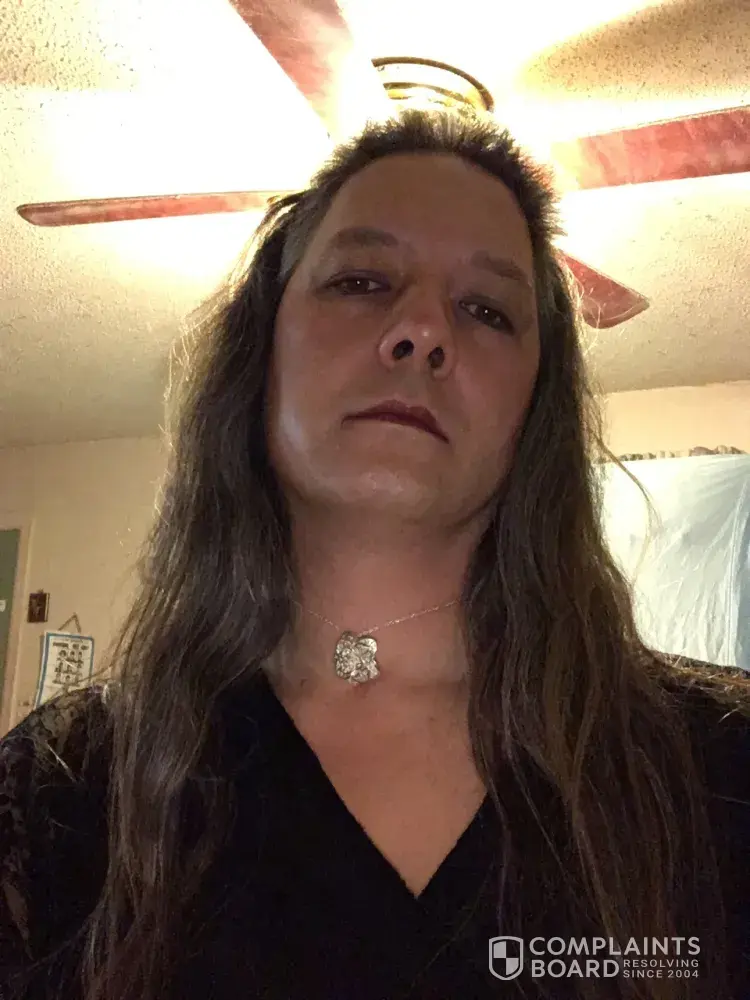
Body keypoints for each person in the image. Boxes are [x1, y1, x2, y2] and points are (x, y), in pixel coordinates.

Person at [1, 107, 748, 1000]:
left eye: (487, 310)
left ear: (534, 407)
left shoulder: (725, 765)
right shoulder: (58, 790)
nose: (422, 330)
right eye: (360, 281)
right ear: (262, 352)